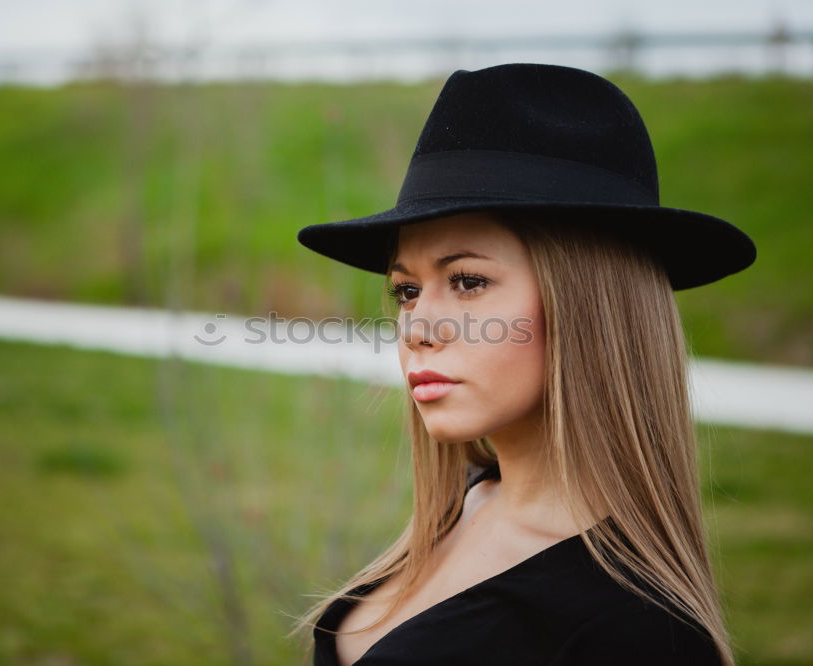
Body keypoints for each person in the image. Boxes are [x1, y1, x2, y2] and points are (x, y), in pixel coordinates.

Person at [290, 63, 756, 666]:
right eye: (406, 290)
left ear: (590, 307)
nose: (418, 329)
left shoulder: (636, 635)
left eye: (468, 281)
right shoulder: (470, 504)